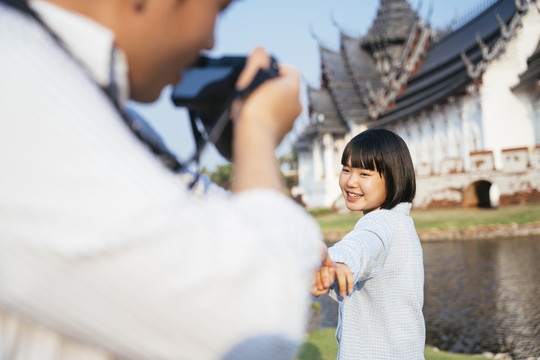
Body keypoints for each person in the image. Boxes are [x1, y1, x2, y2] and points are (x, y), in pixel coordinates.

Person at [0, 0, 333, 359]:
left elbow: (174, 199)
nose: (209, 41)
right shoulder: (18, 79)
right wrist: (258, 131)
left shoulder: (54, 74)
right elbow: (254, 327)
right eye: (217, 10)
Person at [311, 129, 425, 360]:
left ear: (393, 177)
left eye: (365, 174)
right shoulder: (401, 222)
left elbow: (360, 247)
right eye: (346, 170)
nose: (350, 182)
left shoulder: (380, 222)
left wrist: (337, 263)